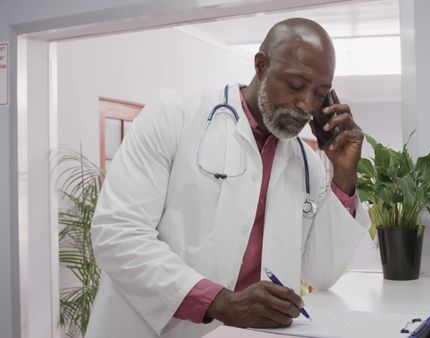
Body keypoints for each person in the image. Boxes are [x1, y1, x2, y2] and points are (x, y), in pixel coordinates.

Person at [85, 18, 370, 338]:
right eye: (294, 85)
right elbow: (118, 234)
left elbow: (322, 272)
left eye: (319, 94)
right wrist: (220, 302)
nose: (305, 105)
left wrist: (344, 175)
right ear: (261, 66)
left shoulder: (307, 164)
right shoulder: (173, 116)